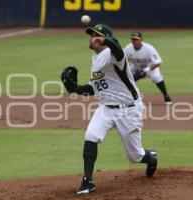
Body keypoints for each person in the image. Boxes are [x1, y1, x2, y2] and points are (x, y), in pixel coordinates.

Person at [60, 24, 158, 195]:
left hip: (129, 109)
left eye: (96, 35)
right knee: (91, 135)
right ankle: (88, 180)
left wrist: (107, 40)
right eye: (91, 35)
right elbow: (95, 89)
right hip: (106, 108)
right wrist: (75, 88)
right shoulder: (96, 59)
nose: (92, 38)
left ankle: (151, 157)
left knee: (135, 156)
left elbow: (117, 48)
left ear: (105, 39)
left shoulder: (114, 55)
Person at [123, 32, 172, 104]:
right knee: (125, 79)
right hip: (136, 67)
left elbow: (158, 62)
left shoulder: (149, 48)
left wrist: (147, 69)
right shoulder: (128, 49)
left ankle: (166, 95)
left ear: (141, 40)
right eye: (133, 39)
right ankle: (131, 97)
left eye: (136, 39)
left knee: (157, 77)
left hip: (150, 67)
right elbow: (122, 61)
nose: (134, 41)